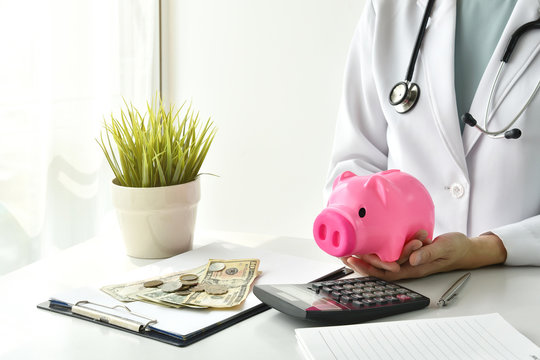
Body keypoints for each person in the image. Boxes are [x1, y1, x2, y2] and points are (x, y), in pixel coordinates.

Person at [325, 0, 540, 281]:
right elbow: (355, 160)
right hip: (398, 293)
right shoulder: (390, 7)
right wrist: (360, 234)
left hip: (521, 292)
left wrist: (490, 248)